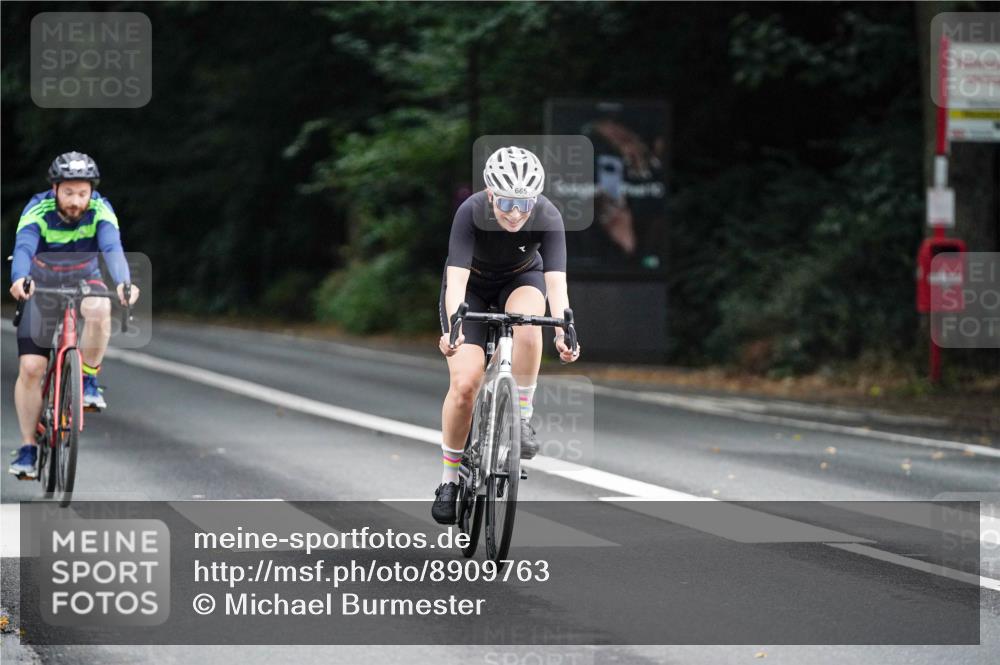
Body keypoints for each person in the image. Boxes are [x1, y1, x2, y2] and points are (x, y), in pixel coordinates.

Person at [432, 146, 581, 524]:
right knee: (465, 384)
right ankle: (449, 480)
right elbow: (456, 282)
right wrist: (454, 328)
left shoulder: (547, 214)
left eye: (525, 203)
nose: (516, 213)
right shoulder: (470, 212)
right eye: (508, 202)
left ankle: (523, 417)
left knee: (530, 325)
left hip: (521, 278)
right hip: (471, 287)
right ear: (491, 193)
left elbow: (557, 285)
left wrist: (566, 329)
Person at [8, 151, 139, 479]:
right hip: (41, 283)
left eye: (83, 193)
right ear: (54, 189)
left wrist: (124, 282)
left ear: (91, 190)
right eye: (68, 192)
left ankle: (89, 378)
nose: (76, 201)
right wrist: (18, 279)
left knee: (99, 306)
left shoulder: (100, 209)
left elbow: (112, 249)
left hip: (84, 279)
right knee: (31, 367)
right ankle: (27, 448)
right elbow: (24, 247)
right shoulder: (37, 209)